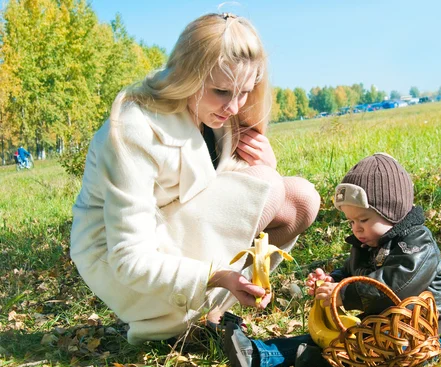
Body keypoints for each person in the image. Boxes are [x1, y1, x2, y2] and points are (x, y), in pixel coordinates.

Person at [69, 13, 321, 345]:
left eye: (245, 92)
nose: (234, 106)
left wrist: (265, 167)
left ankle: (208, 315)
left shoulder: (216, 113)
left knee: (302, 199)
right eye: (221, 91)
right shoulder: (133, 128)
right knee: (270, 186)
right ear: (189, 75)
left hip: (179, 233)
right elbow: (127, 256)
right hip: (123, 263)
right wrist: (215, 275)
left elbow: (224, 196)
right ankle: (169, 325)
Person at [224, 153, 441, 367]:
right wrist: (332, 282)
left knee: (359, 349)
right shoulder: (367, 244)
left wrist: (344, 293)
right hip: (382, 330)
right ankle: (257, 355)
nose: (357, 229)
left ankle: (315, 363)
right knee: (330, 338)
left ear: (393, 212)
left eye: (363, 220)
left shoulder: (416, 243)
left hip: (421, 335)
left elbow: (397, 285)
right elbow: (350, 273)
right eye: (351, 222)